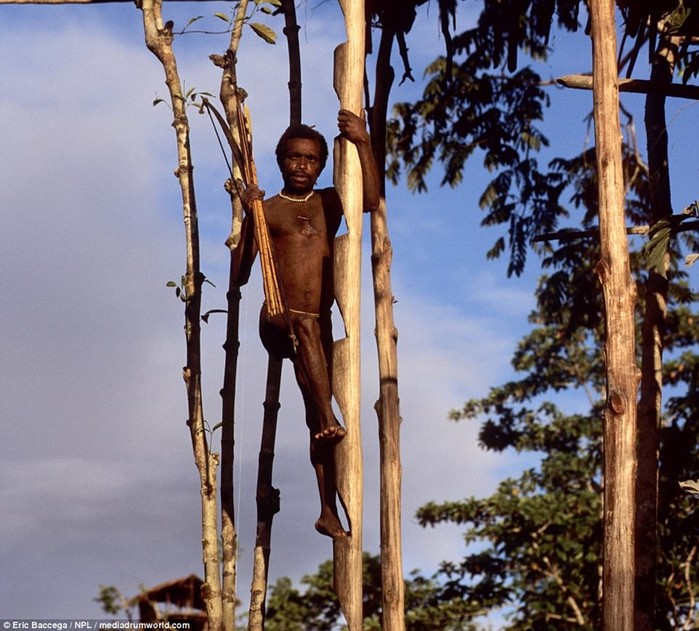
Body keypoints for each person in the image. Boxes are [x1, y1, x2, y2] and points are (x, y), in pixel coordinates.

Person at [234, 109, 381, 538]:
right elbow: (240, 276)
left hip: (318, 327)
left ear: (321, 165)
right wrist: (249, 217)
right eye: (295, 157)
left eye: (312, 159)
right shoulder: (270, 209)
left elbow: (369, 201)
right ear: (280, 160)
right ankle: (327, 413)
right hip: (278, 318)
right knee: (305, 331)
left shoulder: (329, 202)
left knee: (318, 424)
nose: (303, 165)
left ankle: (326, 511)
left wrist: (363, 141)